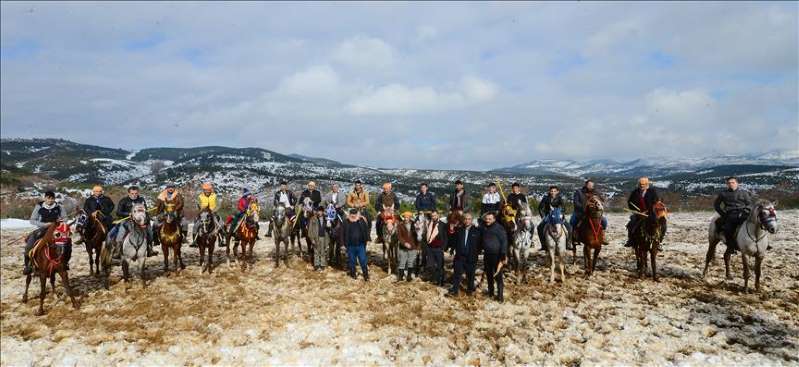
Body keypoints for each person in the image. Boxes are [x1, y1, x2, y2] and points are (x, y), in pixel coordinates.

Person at [23, 191, 67, 275]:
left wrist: (59, 220)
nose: (50, 200)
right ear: (45, 198)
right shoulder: (39, 206)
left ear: (54, 199)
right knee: (28, 246)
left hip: (55, 229)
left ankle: (64, 263)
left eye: (52, 198)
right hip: (41, 229)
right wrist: (44, 224)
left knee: (66, 244)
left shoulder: (59, 206)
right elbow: (32, 220)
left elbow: (65, 218)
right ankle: (28, 266)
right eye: (48, 198)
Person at [112, 185, 157, 257]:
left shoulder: (141, 200)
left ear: (138, 193)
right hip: (127, 220)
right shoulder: (123, 201)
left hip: (141, 220)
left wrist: (146, 220)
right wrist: (128, 214)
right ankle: (117, 251)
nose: (134, 195)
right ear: (128, 193)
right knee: (120, 234)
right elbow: (118, 212)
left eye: (136, 193)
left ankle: (150, 249)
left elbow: (146, 211)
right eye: (132, 193)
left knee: (150, 233)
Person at [713, 176, 756, 252]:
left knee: (757, 223)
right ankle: (731, 246)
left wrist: (746, 210)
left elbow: (750, 204)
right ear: (727, 184)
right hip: (730, 214)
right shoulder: (723, 194)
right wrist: (723, 214)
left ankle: (763, 243)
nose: (731, 184)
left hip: (744, 213)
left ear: (737, 183)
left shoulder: (744, 193)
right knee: (728, 229)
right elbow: (716, 205)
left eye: (733, 182)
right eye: (729, 183)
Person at [624, 177, 667, 249]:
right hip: (638, 213)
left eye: (643, 184)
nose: (641, 186)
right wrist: (636, 210)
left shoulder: (652, 192)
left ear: (647, 184)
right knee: (631, 224)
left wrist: (648, 211)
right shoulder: (635, 192)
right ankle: (630, 240)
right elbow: (630, 202)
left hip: (651, 213)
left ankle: (659, 242)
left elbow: (656, 203)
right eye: (640, 184)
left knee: (663, 225)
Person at [447, 213, 481, 297]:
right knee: (457, 274)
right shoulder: (459, 230)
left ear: (472, 220)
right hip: (459, 257)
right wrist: (452, 249)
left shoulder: (477, 231)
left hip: (471, 257)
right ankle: (454, 291)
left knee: (470, 276)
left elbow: (480, 244)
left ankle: (470, 291)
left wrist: (476, 253)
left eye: (469, 219)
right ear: (463, 220)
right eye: (465, 219)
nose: (467, 221)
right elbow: (453, 241)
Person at [569, 180, 608, 246]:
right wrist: (585, 207)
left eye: (592, 185)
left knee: (604, 221)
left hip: (593, 213)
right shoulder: (579, 192)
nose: (590, 186)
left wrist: (599, 202)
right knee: (573, 221)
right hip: (581, 212)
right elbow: (576, 203)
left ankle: (603, 237)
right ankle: (574, 237)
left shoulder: (595, 192)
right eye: (589, 185)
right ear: (586, 185)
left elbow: (602, 200)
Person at [479, 212, 508, 303]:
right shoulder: (483, 227)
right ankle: (491, 293)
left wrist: (503, 254)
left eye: (490, 219)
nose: (487, 220)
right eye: (486, 219)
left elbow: (504, 241)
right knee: (489, 275)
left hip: (497, 256)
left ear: (494, 219)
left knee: (498, 276)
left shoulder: (499, 228)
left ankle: (500, 296)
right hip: (487, 255)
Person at [338, 208, 371, 281]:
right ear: (349, 215)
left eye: (354, 215)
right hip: (350, 246)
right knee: (352, 261)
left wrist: (367, 239)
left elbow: (366, 230)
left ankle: (366, 275)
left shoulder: (361, 221)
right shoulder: (345, 222)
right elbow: (341, 234)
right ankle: (353, 274)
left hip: (360, 245)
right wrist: (342, 244)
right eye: (351, 215)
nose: (353, 217)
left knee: (363, 260)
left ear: (357, 215)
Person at [191, 182, 224, 248]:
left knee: (221, 224)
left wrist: (213, 210)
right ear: (203, 190)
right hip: (203, 213)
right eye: (206, 190)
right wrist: (201, 210)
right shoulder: (200, 197)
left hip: (213, 213)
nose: (207, 191)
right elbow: (197, 205)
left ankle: (221, 240)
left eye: (208, 190)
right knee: (196, 225)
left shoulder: (215, 196)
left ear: (211, 190)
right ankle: (194, 241)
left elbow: (218, 205)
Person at [537, 185, 571, 250]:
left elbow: (563, 208)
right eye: (551, 191)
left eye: (554, 191)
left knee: (569, 227)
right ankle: (543, 245)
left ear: (557, 192)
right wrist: (543, 216)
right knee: (539, 228)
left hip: (558, 215)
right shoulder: (545, 198)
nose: (553, 192)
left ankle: (568, 244)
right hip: (548, 215)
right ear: (549, 191)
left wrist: (561, 214)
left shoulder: (560, 198)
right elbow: (540, 208)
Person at [425, 210, 448, 286]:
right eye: (432, 216)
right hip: (430, 248)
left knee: (440, 266)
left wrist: (443, 248)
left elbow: (446, 237)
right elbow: (426, 235)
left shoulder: (443, 225)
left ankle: (440, 281)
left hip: (438, 248)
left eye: (435, 215)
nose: (433, 217)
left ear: (438, 215)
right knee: (430, 265)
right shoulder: (429, 224)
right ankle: (434, 278)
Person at [396, 211, 418, 282]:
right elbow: (399, 236)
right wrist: (404, 243)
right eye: (405, 217)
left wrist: (417, 229)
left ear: (410, 218)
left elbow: (418, 235)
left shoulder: (414, 224)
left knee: (411, 262)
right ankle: (400, 277)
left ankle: (409, 277)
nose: (406, 219)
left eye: (407, 217)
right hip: (403, 246)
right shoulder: (400, 225)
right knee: (402, 261)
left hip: (413, 246)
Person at [308, 206, 329, 271]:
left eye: (321, 211)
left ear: (323, 212)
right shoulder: (313, 219)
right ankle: (316, 265)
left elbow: (327, 230)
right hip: (316, 238)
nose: (319, 212)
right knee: (316, 252)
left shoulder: (326, 219)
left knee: (322, 252)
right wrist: (312, 239)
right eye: (318, 211)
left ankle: (322, 265)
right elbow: (310, 230)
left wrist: (329, 225)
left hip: (323, 238)